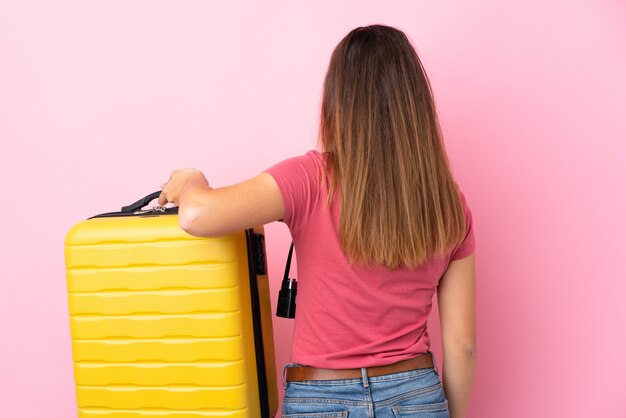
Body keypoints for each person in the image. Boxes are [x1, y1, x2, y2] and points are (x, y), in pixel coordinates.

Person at [158, 24, 476, 418]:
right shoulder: (448, 203)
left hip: (321, 399)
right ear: (416, 105)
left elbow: (195, 216)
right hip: (416, 394)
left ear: (337, 101)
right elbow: (463, 345)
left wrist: (191, 181)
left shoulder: (309, 179)